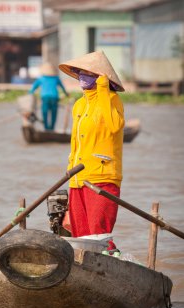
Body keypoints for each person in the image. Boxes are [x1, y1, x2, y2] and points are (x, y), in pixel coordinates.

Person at [58, 51, 125, 252]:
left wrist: (104, 88)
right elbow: (75, 144)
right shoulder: (79, 104)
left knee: (99, 234)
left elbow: (114, 126)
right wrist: (70, 176)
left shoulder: (112, 100)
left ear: (100, 76)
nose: (81, 76)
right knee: (80, 236)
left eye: (87, 72)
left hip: (102, 178)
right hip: (78, 178)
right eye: (79, 72)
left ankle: (111, 266)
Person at [29, 62, 69, 131]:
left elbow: (33, 88)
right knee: (54, 113)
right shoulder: (56, 78)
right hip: (54, 97)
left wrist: (30, 94)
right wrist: (66, 94)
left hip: (45, 98)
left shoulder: (41, 79)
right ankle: (52, 128)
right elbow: (63, 88)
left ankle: (46, 128)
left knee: (45, 113)